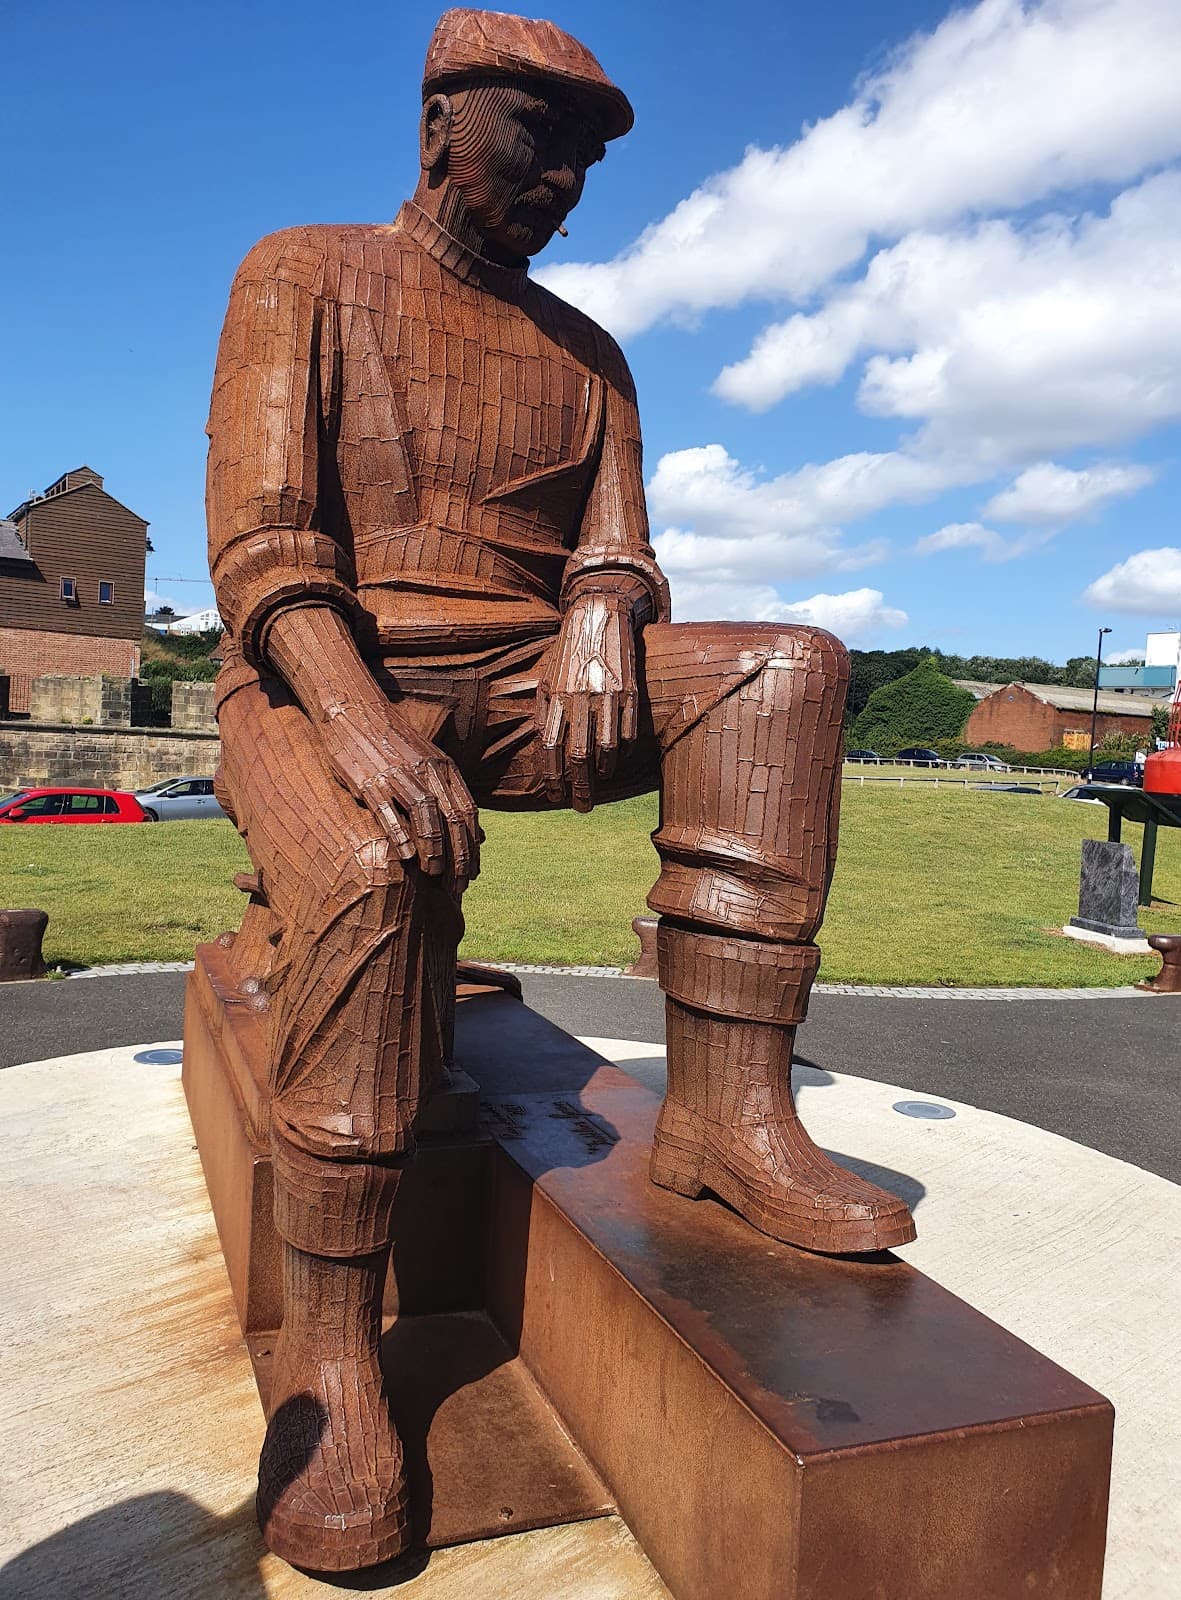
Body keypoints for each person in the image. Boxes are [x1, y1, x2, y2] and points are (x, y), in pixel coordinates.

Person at [206, 7, 915, 1571]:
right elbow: (261, 547)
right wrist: (361, 724)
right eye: (541, 145)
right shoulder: (303, 272)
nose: (567, 188)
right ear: (442, 125)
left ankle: (730, 1118)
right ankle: (336, 1345)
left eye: (586, 164)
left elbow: (622, 544)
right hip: (310, 672)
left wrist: (604, 604)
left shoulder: (592, 356)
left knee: (783, 667)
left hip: (526, 684)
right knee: (383, 862)